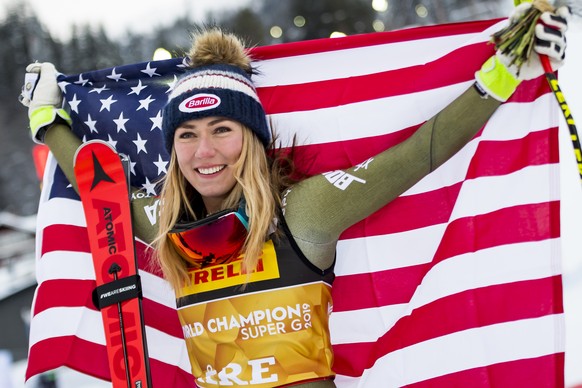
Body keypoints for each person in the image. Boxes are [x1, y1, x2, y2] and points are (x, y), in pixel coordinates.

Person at [20, 4, 570, 387]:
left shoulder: (302, 212)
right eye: (187, 135)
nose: (204, 150)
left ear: (253, 140)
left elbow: (416, 155)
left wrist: (502, 74)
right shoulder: (168, 230)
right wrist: (48, 120)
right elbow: (102, 188)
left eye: (222, 130)